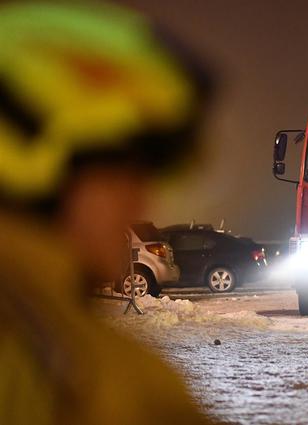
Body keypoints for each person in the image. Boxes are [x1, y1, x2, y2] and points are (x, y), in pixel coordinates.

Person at [0, 2, 217, 424]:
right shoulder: (61, 371)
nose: (141, 206)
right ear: (30, 164)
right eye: (123, 180)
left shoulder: (50, 330)